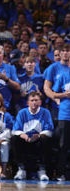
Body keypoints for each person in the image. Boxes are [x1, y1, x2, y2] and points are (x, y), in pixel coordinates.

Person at [11, 91, 54, 181]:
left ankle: (42, 170)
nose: (34, 102)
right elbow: (15, 130)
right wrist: (23, 135)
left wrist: (39, 135)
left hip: (39, 139)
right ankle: (21, 169)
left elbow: (49, 129)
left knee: (45, 139)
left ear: (40, 102)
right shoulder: (22, 112)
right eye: (32, 100)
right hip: (25, 140)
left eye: (36, 100)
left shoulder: (45, 112)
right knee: (14, 138)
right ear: (28, 103)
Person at [42, 43, 70, 181]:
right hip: (62, 112)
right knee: (62, 144)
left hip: (63, 110)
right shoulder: (54, 69)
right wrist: (60, 97)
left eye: (67, 51)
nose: (65, 53)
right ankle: (60, 172)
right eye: (63, 51)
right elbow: (50, 90)